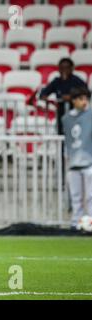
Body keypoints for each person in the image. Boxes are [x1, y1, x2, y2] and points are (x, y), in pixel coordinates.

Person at [61, 87, 92, 229]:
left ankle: (90, 223)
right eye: (81, 98)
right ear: (74, 100)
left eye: (86, 98)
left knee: (90, 197)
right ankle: (76, 224)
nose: (84, 102)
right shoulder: (66, 119)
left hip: (89, 163)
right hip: (73, 163)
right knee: (76, 197)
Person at [40, 58, 88, 136]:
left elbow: (86, 92)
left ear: (72, 68)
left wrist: (72, 96)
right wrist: (46, 98)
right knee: (61, 134)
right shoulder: (57, 81)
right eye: (61, 68)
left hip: (76, 112)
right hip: (61, 113)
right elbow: (43, 93)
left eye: (67, 67)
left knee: (75, 135)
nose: (64, 70)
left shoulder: (77, 80)